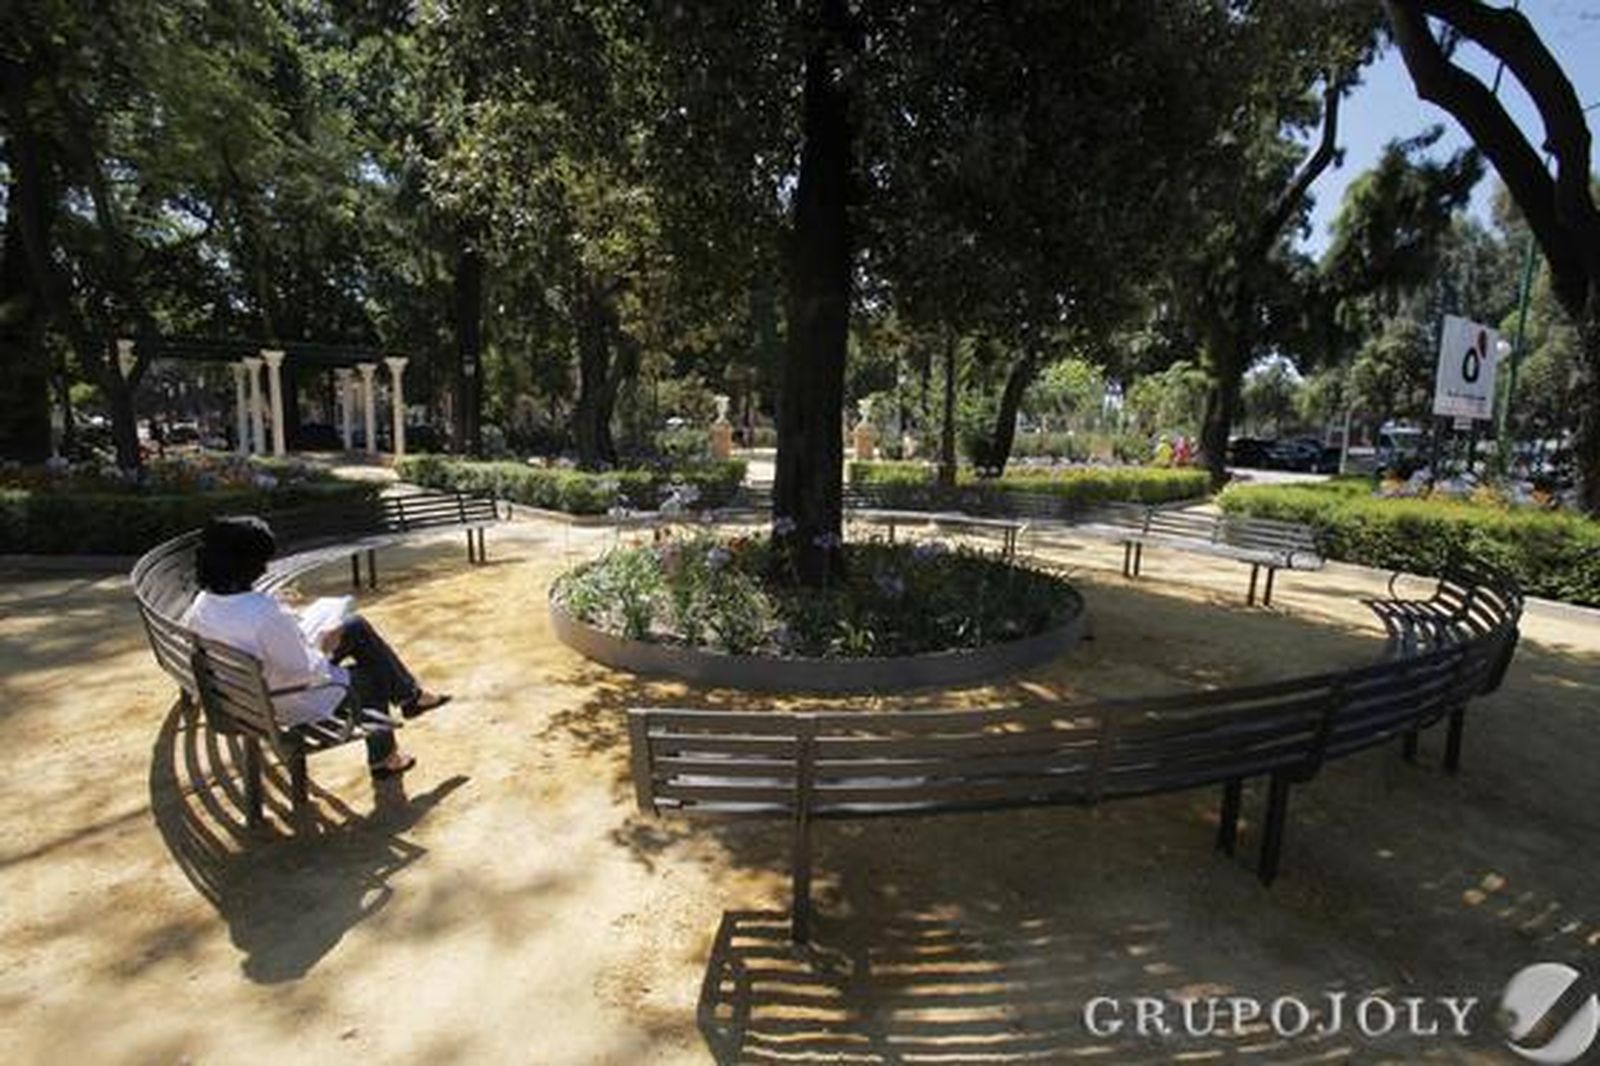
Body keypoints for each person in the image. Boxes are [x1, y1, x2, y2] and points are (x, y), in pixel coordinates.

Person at [181, 515, 450, 779]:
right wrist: (324, 643)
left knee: (354, 626)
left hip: (246, 697)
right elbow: (308, 672)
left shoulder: (203, 603)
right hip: (288, 700)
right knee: (373, 677)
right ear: (250, 565)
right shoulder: (266, 616)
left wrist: (291, 620)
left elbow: (258, 638)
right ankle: (385, 755)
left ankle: (411, 696)